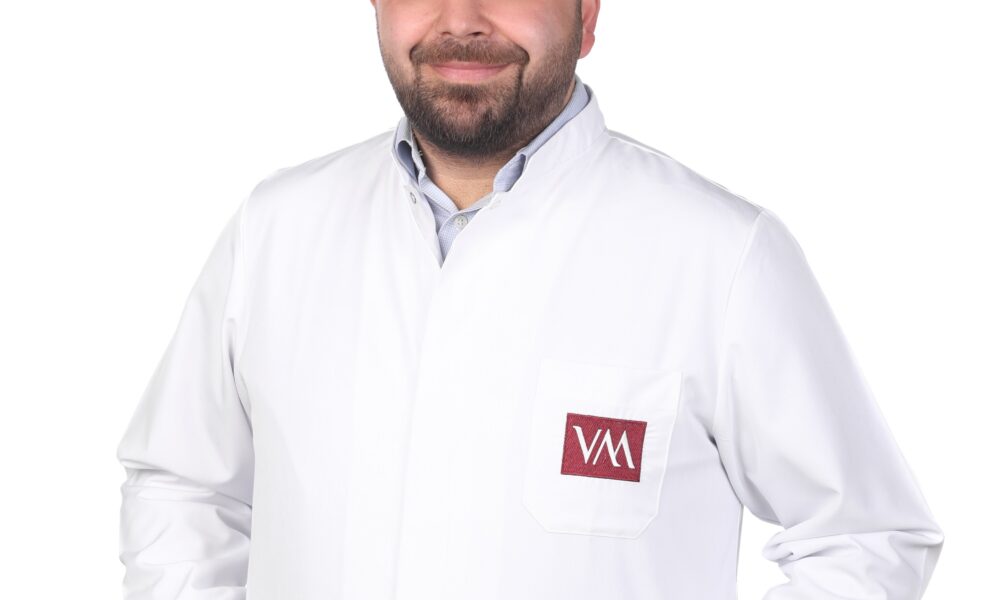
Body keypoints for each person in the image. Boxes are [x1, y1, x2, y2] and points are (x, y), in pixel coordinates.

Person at [115, 1, 945, 598]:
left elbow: (863, 536)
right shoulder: (277, 227)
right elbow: (184, 485)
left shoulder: (722, 255)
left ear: (588, 14)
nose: (461, 20)